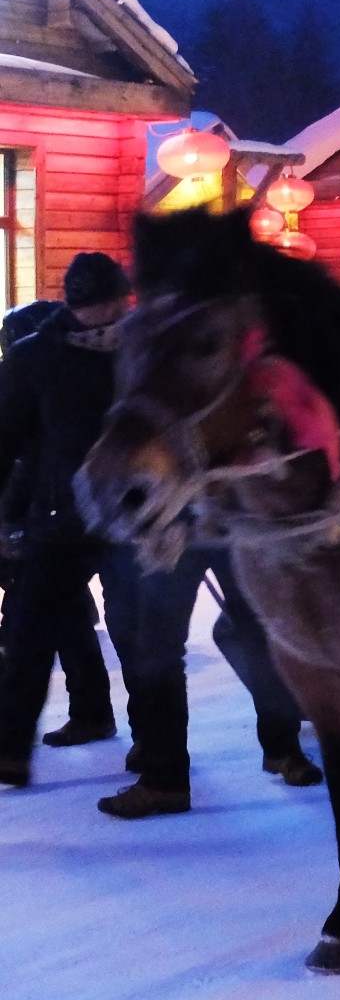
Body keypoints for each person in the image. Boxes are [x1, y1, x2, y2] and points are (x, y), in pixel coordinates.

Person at [0, 254, 321, 812]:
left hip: (170, 514)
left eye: (112, 308)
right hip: (79, 515)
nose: (103, 321)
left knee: (199, 633)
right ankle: (35, 752)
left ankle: (269, 744)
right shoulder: (38, 358)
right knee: (52, 636)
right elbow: (11, 441)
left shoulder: (156, 348)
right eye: (91, 311)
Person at [0, 298, 114, 753]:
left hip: (44, 522)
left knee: (39, 625)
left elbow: (25, 463)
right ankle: (89, 714)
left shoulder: (42, 384)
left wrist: (11, 522)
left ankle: (83, 716)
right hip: (42, 520)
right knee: (59, 621)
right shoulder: (45, 378)